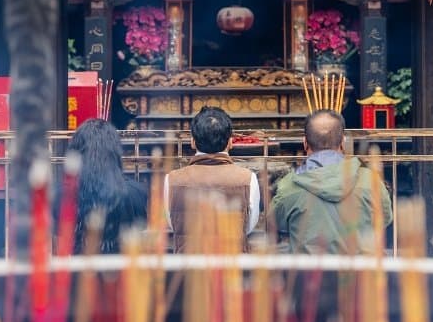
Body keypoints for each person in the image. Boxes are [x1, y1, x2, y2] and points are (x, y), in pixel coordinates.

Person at [271, 109, 393, 254]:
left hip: (309, 274)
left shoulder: (289, 186)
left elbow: (274, 223)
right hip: (361, 272)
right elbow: (385, 219)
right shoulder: (371, 181)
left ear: (304, 143)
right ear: (343, 141)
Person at [164, 106, 260, 251]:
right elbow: (248, 227)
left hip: (187, 268)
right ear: (230, 142)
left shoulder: (171, 180)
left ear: (192, 142)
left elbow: (173, 224)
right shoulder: (248, 179)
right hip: (232, 267)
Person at [69, 118, 148, 253]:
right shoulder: (137, 193)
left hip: (75, 272)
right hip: (124, 271)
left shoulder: (64, 196)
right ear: (116, 152)